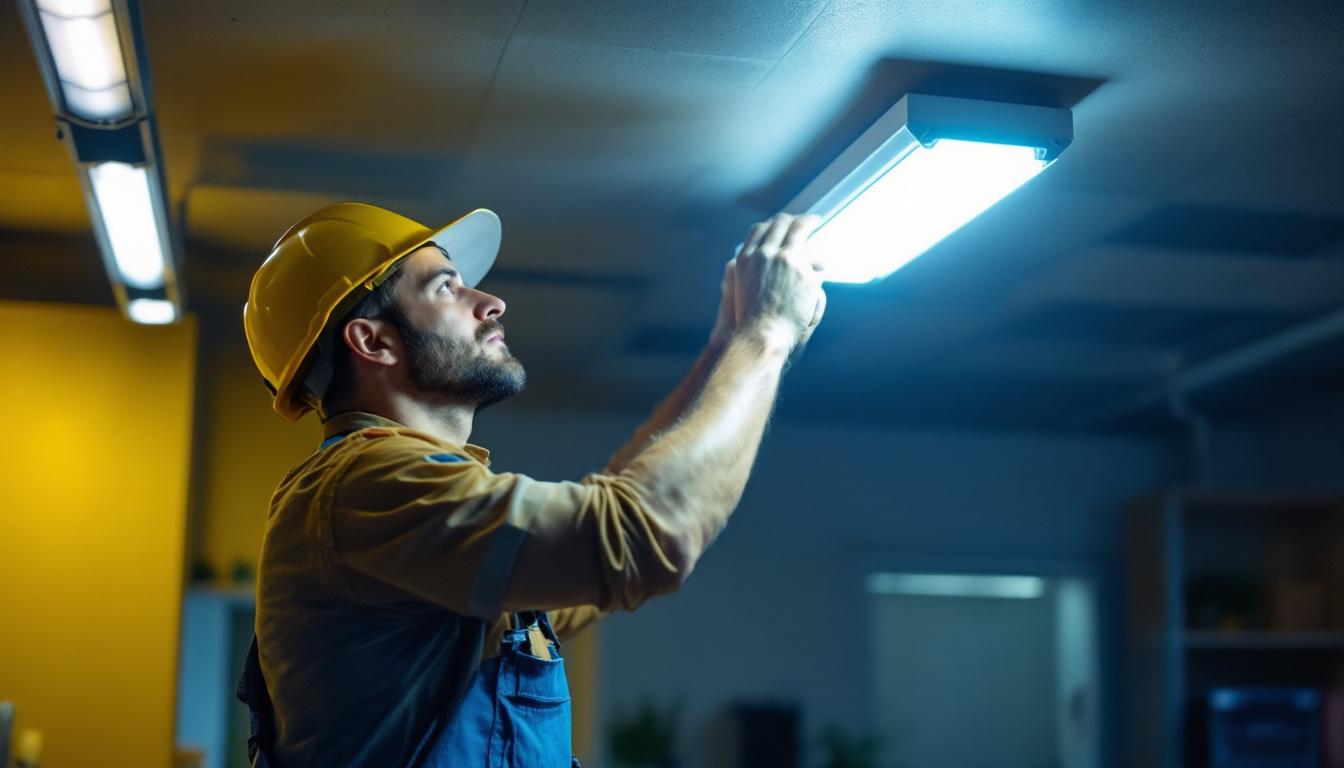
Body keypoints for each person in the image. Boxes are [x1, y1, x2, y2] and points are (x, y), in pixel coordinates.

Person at [239, 201, 826, 766]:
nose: (491, 302)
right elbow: (641, 535)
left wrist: (727, 346)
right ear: (374, 342)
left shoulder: (401, 504)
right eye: (445, 287)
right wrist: (765, 333)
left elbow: (597, 543)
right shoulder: (368, 483)